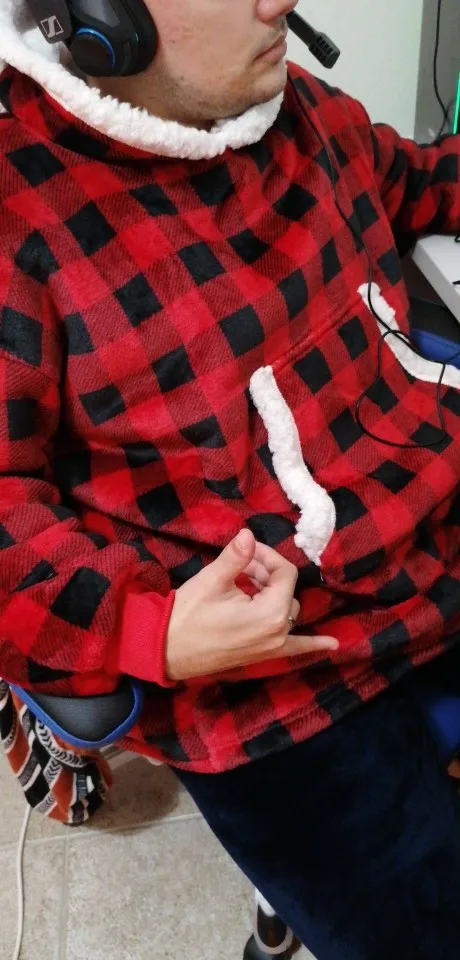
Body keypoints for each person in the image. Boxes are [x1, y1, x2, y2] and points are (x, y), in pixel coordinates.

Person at [1, 1, 460, 956]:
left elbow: (419, 183)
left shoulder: (298, 111)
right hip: (272, 685)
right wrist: (148, 631)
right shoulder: (19, 214)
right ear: (100, 13)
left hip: (427, 538)